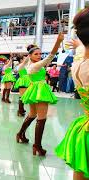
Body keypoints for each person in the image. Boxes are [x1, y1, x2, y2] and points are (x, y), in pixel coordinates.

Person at [16, 32, 64, 156]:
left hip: (34, 90)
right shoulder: (35, 65)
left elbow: (45, 61)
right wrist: (58, 42)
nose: (39, 55)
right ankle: (37, 146)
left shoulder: (32, 64)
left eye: (39, 53)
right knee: (41, 118)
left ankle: (20, 134)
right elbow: (50, 57)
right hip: (39, 90)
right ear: (30, 55)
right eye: (36, 54)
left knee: (32, 115)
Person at [55, 8, 89, 180]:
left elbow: (82, 55)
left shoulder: (78, 63)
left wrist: (79, 45)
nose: (39, 55)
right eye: (36, 53)